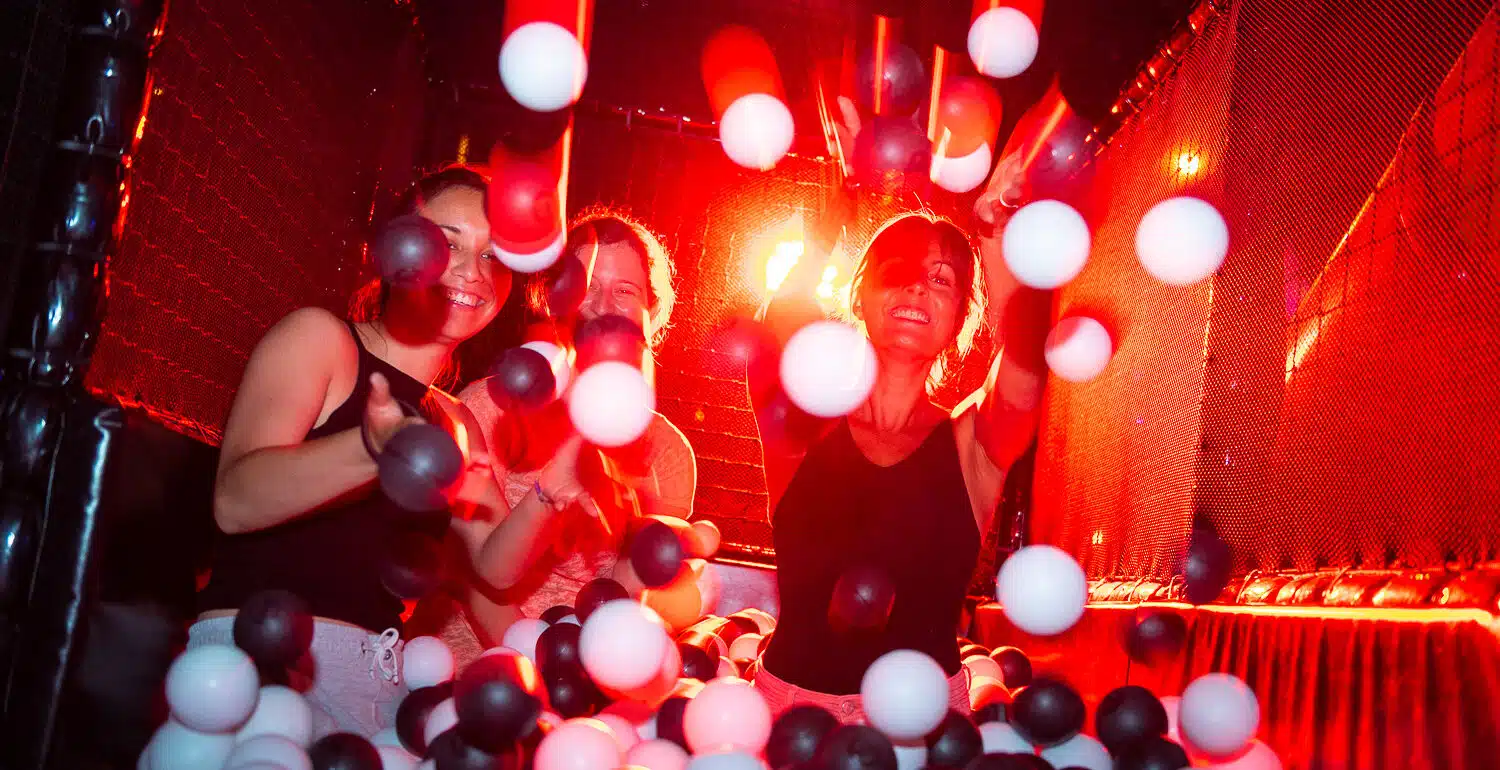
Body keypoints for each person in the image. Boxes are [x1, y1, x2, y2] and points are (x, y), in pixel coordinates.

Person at [193, 165, 551, 738]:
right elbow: (234, 502)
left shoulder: (455, 421)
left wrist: (553, 490)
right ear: (396, 250)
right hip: (250, 670)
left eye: (493, 255)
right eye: (447, 244)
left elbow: (493, 567)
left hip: (377, 689)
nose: (473, 272)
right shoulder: (321, 341)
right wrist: (372, 449)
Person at [752, 161, 1050, 723]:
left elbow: (1026, 366)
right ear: (860, 296)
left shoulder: (971, 444)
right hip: (789, 716)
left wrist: (993, 235)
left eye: (941, 280)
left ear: (959, 318)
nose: (917, 287)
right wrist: (826, 230)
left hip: (923, 727)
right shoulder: (809, 423)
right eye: (899, 271)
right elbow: (775, 333)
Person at [407, 211, 696, 665]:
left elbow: (626, 602)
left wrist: (584, 677)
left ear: (652, 312)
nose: (604, 306)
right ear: (555, 300)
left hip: (582, 673)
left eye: (625, 291)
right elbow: (469, 574)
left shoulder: (667, 451)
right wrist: (537, 671)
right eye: (587, 288)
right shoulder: (492, 406)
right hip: (468, 669)